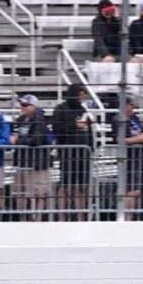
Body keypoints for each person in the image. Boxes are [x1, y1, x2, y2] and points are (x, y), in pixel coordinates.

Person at [52, 83, 94, 222]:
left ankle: (81, 216)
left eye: (83, 95)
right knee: (65, 184)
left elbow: (90, 131)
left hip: (83, 154)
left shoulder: (83, 110)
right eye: (80, 95)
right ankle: (62, 216)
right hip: (67, 153)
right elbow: (57, 129)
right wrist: (74, 125)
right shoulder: (60, 109)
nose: (82, 98)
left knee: (81, 186)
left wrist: (91, 148)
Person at [10, 94, 53, 221]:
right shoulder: (21, 120)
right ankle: (24, 219)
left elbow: (36, 140)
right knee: (20, 193)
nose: (21, 107)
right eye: (21, 105)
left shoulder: (40, 120)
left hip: (38, 163)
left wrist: (17, 141)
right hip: (23, 162)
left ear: (33, 106)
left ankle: (37, 219)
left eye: (25, 105)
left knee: (39, 193)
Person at [110, 97, 143, 221]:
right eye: (130, 105)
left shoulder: (135, 118)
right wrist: (140, 139)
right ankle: (126, 217)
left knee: (136, 190)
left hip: (139, 157)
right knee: (130, 189)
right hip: (127, 158)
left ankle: (131, 216)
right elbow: (121, 139)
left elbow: (142, 134)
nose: (132, 107)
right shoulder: (118, 120)